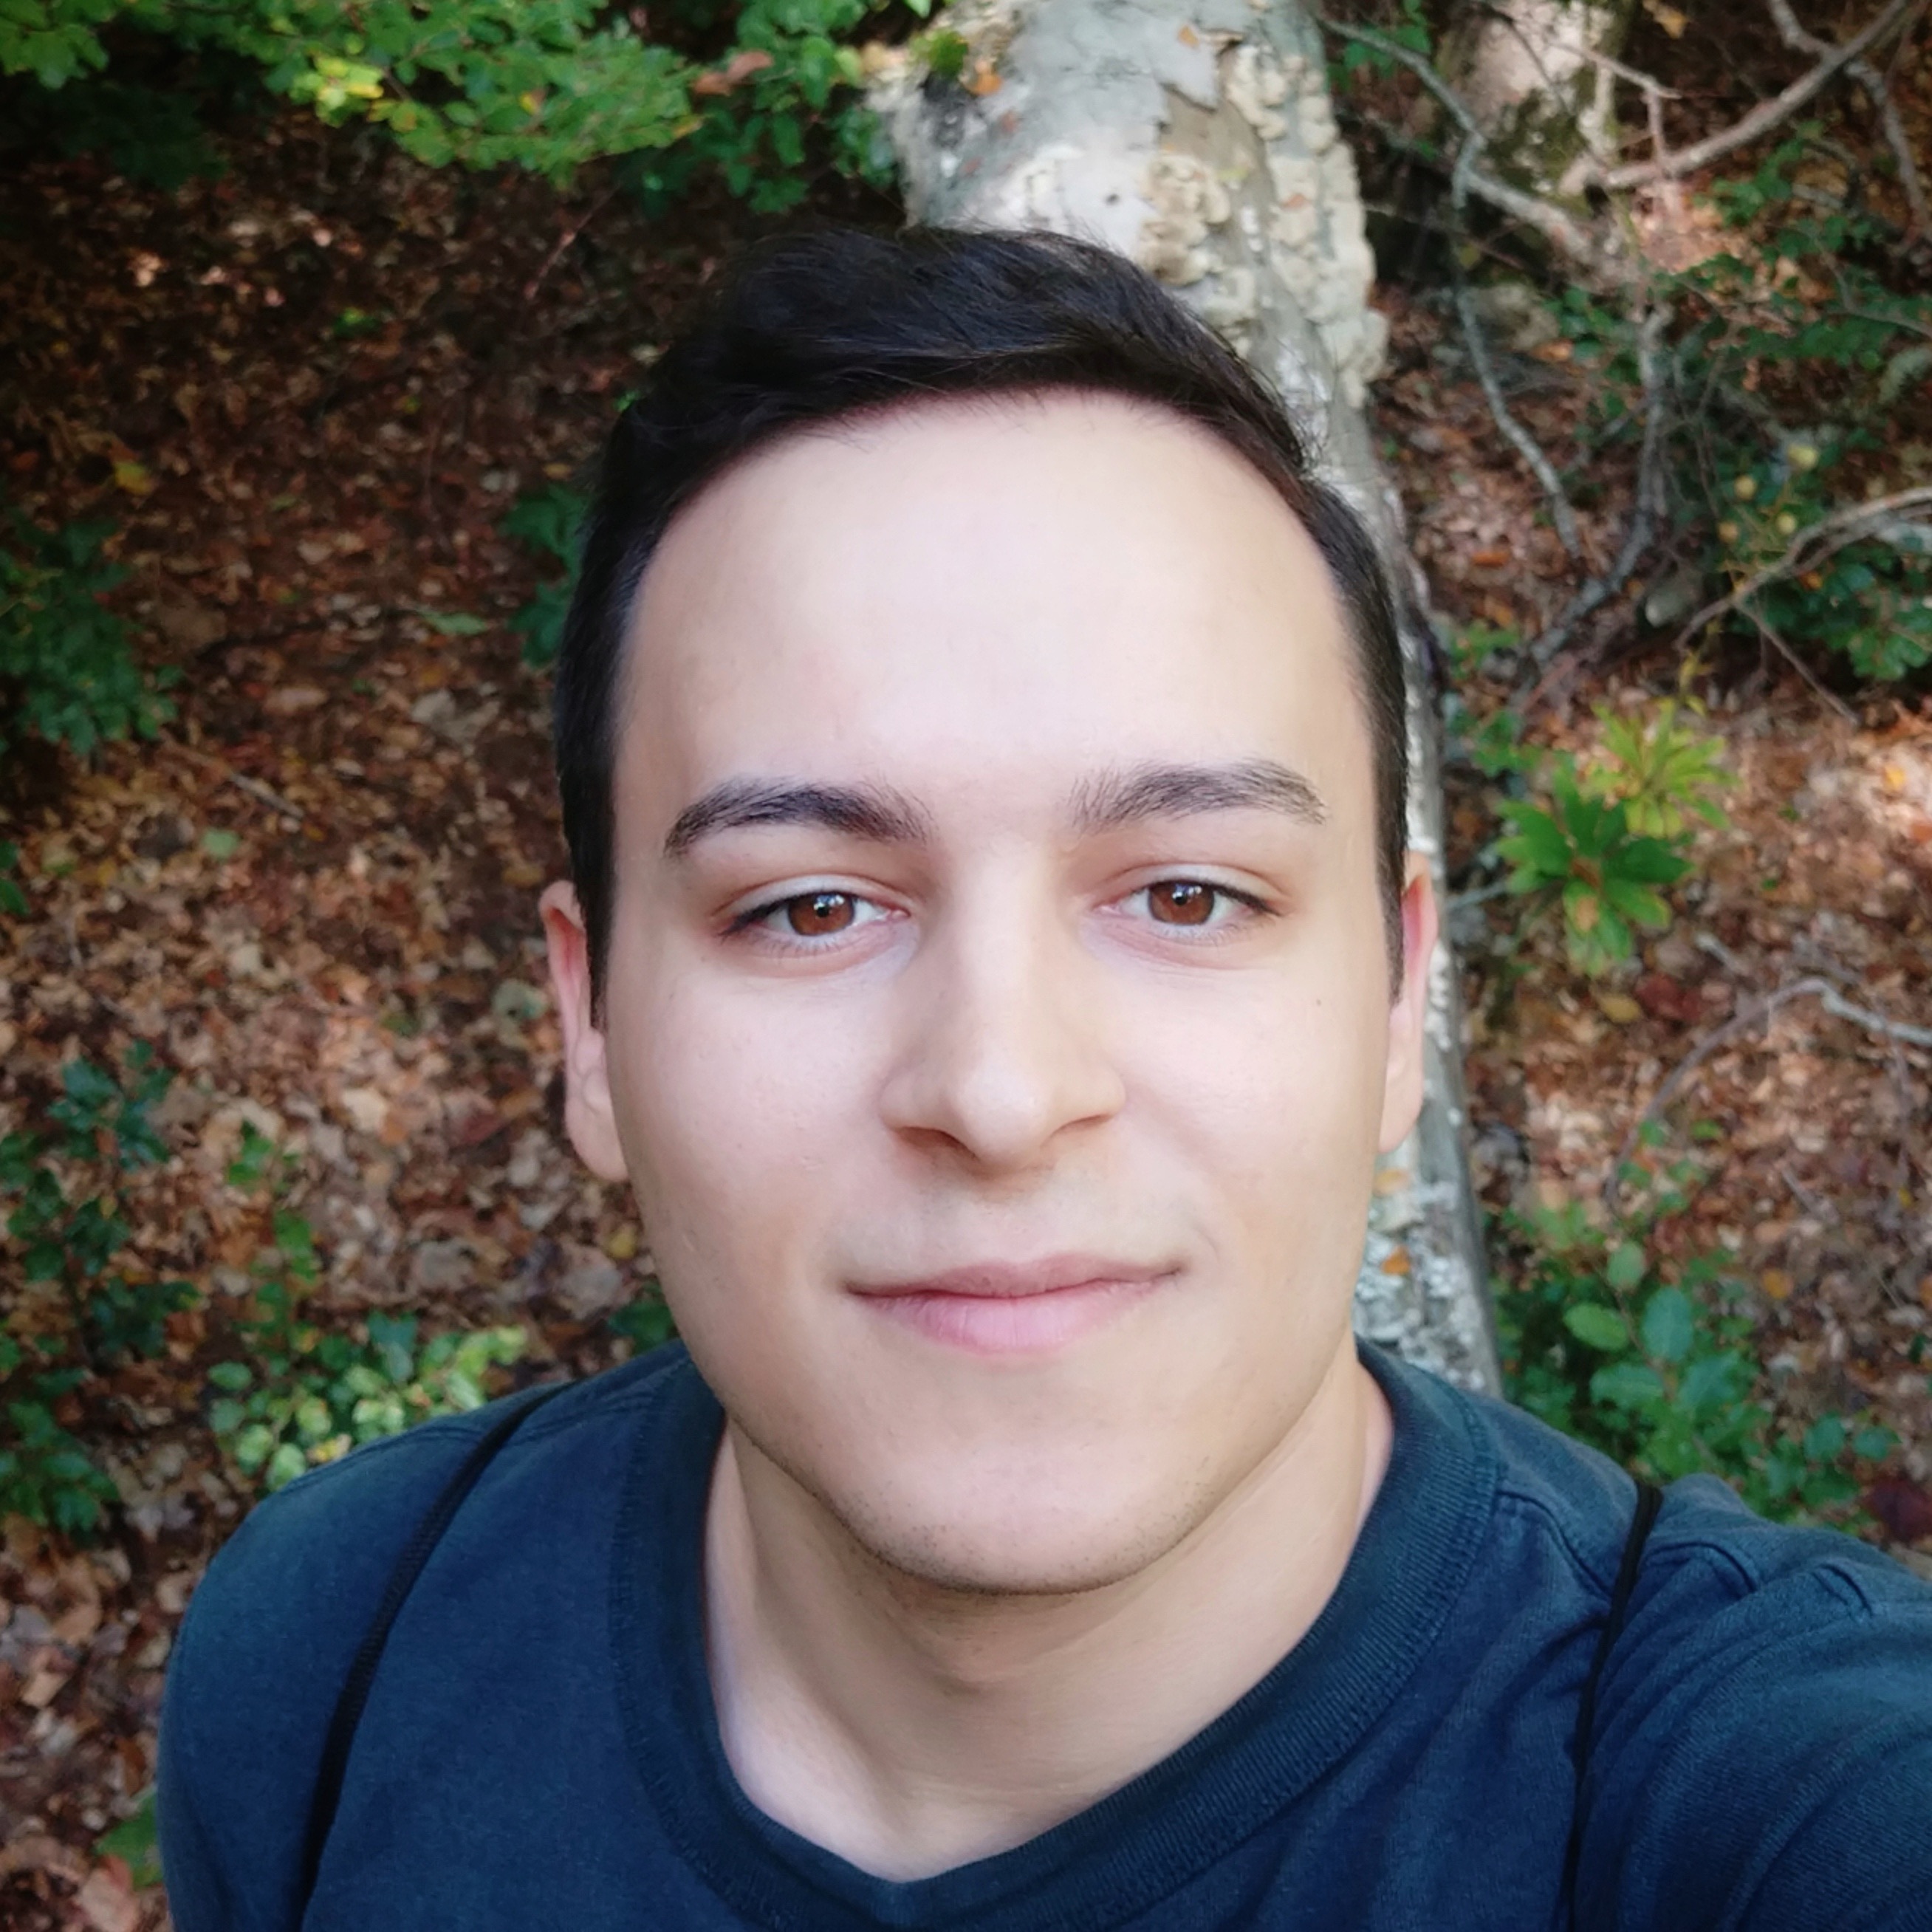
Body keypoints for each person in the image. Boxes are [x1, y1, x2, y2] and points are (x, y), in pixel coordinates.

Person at [157, 227, 1932, 1931]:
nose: (1003, 1096)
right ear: (591, 1025)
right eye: (810, 906)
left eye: (1187, 894)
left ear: (1400, 1001)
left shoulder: (1771, 1800)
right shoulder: (331, 1659)